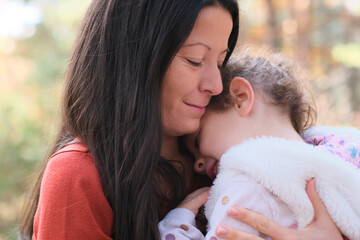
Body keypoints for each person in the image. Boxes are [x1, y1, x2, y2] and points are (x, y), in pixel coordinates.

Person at [18, 1, 344, 239]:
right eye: (195, 60)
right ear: (136, 60)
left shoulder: (231, 156)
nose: (216, 85)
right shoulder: (79, 176)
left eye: (220, 61)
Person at [159, 48, 360, 240]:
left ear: (241, 98)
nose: (198, 165)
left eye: (197, 140)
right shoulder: (346, 156)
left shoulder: (244, 190)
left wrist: (176, 225)